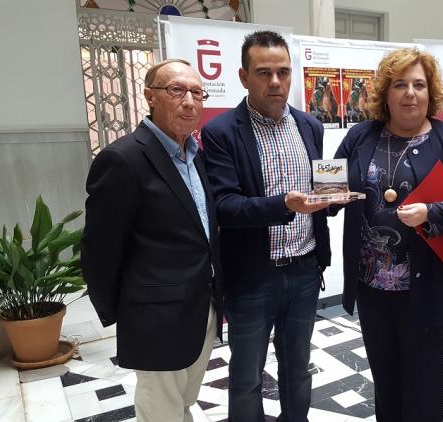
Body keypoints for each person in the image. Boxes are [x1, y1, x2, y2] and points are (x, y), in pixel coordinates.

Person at [333, 48, 443, 421]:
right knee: (385, 380)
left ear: (430, 93)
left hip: (429, 287)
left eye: (419, 85)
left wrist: (431, 213)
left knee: (423, 382)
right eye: (400, 84)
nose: (410, 93)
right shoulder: (360, 136)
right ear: (385, 92)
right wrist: (326, 199)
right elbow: (331, 184)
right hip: (372, 286)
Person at [81, 58, 223, 422]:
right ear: (150, 96)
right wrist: (127, 314)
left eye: (196, 92)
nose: (189, 101)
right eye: (177, 90)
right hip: (156, 316)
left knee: (182, 401)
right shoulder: (123, 159)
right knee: (161, 410)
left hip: (201, 305)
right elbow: (99, 251)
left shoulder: (195, 156)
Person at [200, 31, 331, 422]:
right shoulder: (222, 132)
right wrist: (283, 205)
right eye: (263, 73)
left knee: (297, 371)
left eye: (283, 72)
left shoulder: (310, 126)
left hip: (305, 270)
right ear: (243, 77)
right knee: (246, 380)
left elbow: (318, 193)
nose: (275, 81)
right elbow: (225, 207)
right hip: (253, 277)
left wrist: (333, 201)